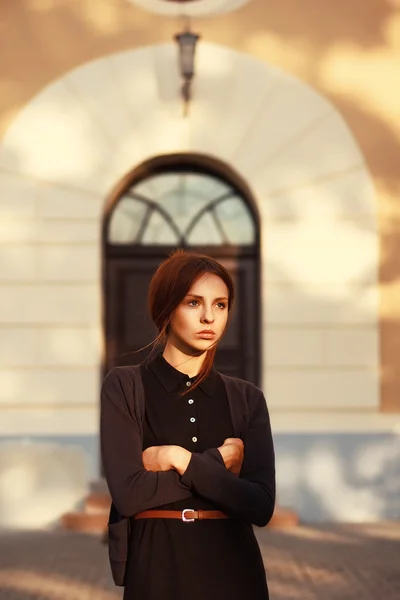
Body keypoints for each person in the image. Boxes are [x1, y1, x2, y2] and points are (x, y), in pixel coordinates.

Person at [100, 249, 276, 600]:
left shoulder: (247, 398)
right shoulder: (124, 386)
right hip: (157, 567)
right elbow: (130, 494)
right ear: (167, 308)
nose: (209, 317)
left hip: (235, 572)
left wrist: (180, 459)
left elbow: (260, 505)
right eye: (194, 303)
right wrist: (218, 464)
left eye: (221, 305)